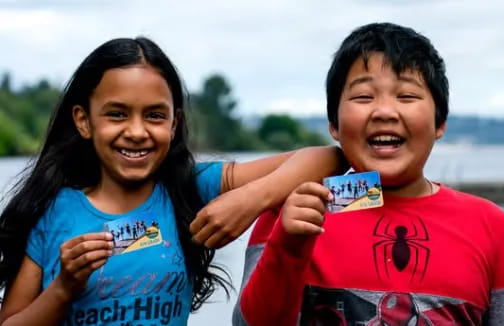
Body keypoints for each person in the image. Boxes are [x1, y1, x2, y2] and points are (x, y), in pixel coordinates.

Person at [0, 37, 346, 326]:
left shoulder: (190, 189)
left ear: (174, 124)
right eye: (117, 114)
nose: (136, 132)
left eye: (154, 115)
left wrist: (250, 199)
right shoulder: (51, 212)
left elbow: (330, 157)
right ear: (84, 121)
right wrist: (63, 288)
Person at [233, 23, 504, 326]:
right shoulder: (296, 213)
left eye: (407, 96)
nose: (384, 111)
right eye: (363, 97)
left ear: (440, 123)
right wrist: (287, 245)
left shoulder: (491, 228)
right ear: (334, 124)